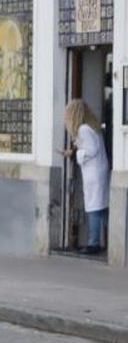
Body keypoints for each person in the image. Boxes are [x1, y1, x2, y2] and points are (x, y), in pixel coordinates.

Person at [64, 99, 110, 254]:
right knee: (102, 208)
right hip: (99, 172)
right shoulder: (92, 128)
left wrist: (76, 153)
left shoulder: (83, 129)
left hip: (94, 174)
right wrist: (74, 152)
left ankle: (93, 243)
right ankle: (106, 241)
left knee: (94, 207)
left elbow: (91, 150)